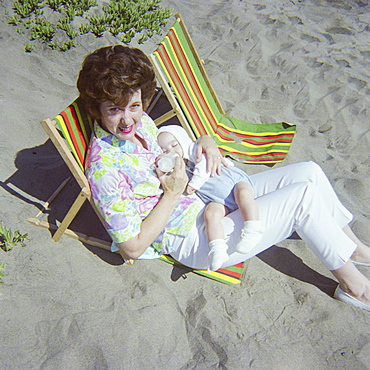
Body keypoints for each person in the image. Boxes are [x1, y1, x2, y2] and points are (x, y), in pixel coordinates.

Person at [77, 44, 370, 312]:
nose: (127, 119)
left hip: (205, 196)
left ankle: (353, 249)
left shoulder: (143, 125)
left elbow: (175, 150)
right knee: (302, 198)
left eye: (134, 106)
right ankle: (355, 288)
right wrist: (173, 193)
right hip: (195, 236)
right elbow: (132, 247)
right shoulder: (105, 169)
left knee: (309, 172)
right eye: (114, 110)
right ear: (97, 109)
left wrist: (204, 140)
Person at [157, 125, 262, 271]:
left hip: (234, 183)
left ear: (182, 141)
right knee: (211, 215)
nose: (171, 151)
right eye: (164, 150)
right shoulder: (180, 167)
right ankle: (217, 249)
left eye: (174, 145)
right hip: (217, 199)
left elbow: (203, 167)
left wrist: (193, 184)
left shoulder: (194, 151)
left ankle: (252, 230)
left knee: (244, 194)